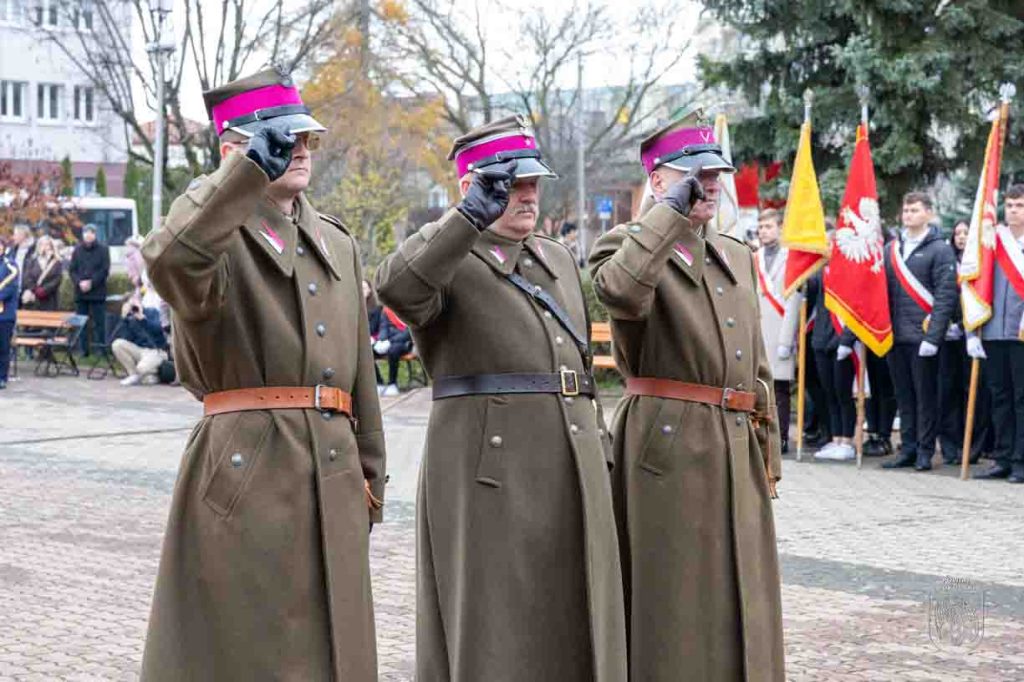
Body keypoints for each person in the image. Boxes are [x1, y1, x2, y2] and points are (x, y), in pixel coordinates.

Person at [140, 68, 386, 680]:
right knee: (250, 650)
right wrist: (243, 175)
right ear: (233, 150)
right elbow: (168, 259)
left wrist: (369, 478)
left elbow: (360, 379)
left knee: (335, 652)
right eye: (281, 138)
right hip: (247, 470)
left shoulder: (337, 242)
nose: (300, 147)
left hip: (332, 472)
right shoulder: (211, 236)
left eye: (306, 136)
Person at [375, 114, 626, 682]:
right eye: (511, 183)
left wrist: (599, 446)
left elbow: (578, 366)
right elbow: (396, 286)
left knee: (575, 613)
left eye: (534, 182)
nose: (528, 194)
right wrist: (466, 218)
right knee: (497, 624)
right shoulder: (447, 257)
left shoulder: (556, 258)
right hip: (492, 473)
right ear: (473, 186)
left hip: (570, 461)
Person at [589, 108, 784, 681]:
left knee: (742, 588)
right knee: (675, 599)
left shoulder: (735, 252)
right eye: (693, 174)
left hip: (735, 441)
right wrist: (668, 215)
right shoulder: (626, 245)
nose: (710, 184)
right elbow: (619, 293)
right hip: (669, 446)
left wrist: (767, 449)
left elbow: (757, 364)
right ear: (658, 180)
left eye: (715, 172)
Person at [882, 192, 957, 471]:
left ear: (928, 213)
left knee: (925, 398)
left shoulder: (940, 250)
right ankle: (908, 448)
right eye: (906, 210)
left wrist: (933, 337)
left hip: (923, 338)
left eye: (914, 210)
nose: (908, 215)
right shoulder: (891, 249)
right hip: (895, 336)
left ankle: (925, 451)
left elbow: (945, 296)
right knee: (903, 396)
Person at [970, 185, 1024, 483]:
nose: (1013, 210)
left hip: (1021, 333)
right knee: (1000, 397)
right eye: (1010, 205)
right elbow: (976, 283)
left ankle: (1020, 460)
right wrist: (973, 330)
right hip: (993, 331)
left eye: (1020, 205)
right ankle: (1002, 458)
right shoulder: (991, 241)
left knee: (1021, 399)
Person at [938, 220, 992, 464]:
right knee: (947, 391)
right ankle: (951, 447)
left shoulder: (981, 264)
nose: (961, 237)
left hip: (974, 335)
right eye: (957, 233)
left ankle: (973, 447)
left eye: (966, 233)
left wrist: (962, 326)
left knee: (974, 391)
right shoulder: (946, 262)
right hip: (947, 336)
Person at [755, 208, 802, 453]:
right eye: (761, 227)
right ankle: (759, 435)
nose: (763, 231)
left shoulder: (791, 257)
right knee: (757, 385)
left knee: (779, 389)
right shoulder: (754, 257)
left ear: (780, 228)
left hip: (780, 329)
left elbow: (794, 299)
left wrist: (787, 339)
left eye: (768, 227)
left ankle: (781, 437)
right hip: (758, 328)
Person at [69, 224, 111, 355]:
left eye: (91, 232)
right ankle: (83, 350)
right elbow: (72, 270)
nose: (88, 235)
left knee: (99, 323)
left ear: (95, 234)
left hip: (97, 292)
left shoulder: (103, 250)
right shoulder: (77, 250)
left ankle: (101, 349)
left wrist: (91, 283)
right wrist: (79, 282)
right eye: (86, 232)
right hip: (80, 293)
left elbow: (104, 270)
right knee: (81, 323)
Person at [112, 299, 168, 386]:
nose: (133, 307)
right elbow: (122, 337)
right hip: (139, 350)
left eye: (134, 303)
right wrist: (124, 319)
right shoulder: (129, 317)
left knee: (141, 368)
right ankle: (133, 375)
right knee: (117, 344)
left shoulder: (152, 312)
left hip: (156, 351)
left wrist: (143, 319)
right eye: (130, 304)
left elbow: (158, 330)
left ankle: (151, 375)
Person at [20, 236, 64, 311]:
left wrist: (44, 290)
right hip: (33, 297)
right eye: (42, 244)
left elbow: (57, 279)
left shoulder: (56, 262)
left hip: (50, 298)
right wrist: (34, 289)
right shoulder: (32, 260)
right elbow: (27, 277)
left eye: (47, 245)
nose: (44, 247)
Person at [0, 246, 19, 389]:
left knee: (3, 347)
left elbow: (11, 288)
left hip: (5, 314)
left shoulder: (10, 265)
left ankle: (2, 378)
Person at [9, 224, 35, 290]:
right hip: (13, 288)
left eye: (15, 235)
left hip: (28, 289)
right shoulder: (13, 250)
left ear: (22, 235)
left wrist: (31, 289)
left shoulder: (35, 250)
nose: (13, 237)